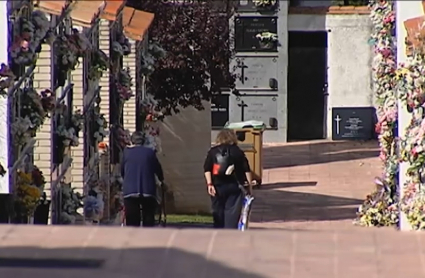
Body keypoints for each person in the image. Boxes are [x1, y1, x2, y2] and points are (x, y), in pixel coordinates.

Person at [203, 129, 253, 229]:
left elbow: (207, 168)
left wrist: (209, 184)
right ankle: (229, 235)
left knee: (218, 213)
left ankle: (218, 236)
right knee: (232, 214)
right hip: (235, 187)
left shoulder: (213, 152)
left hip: (217, 186)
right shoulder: (238, 152)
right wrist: (249, 186)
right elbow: (246, 169)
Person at [121, 131, 164, 227]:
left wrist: (126, 179)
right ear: (144, 141)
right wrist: (161, 179)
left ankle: (132, 239)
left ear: (132, 141)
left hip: (130, 189)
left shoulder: (126, 153)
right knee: (148, 218)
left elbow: (122, 170)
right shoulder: (150, 153)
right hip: (147, 189)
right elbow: (157, 169)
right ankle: (146, 237)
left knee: (132, 219)